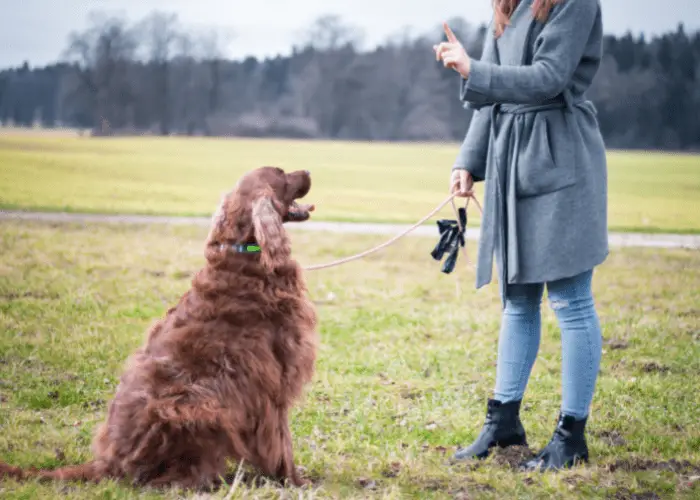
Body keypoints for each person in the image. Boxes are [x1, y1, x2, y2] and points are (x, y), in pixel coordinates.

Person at [433, 0, 608, 471]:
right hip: (510, 160)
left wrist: (474, 67)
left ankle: (572, 436)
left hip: (561, 156)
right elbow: (491, 97)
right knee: (518, 299)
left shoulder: (576, 2)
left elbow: (549, 77)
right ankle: (504, 420)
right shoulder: (508, 5)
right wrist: (466, 162)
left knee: (571, 301)